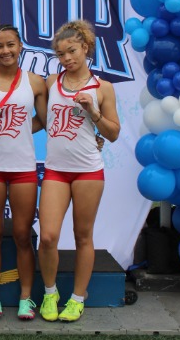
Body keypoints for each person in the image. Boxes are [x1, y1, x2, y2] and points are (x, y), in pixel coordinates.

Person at [37, 20, 120, 323]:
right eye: (60, 54)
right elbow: (32, 111)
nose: (67, 58)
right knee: (48, 236)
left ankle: (77, 298)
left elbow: (113, 134)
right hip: (56, 170)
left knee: (83, 236)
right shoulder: (50, 82)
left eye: (71, 51)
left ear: (85, 47)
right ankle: (50, 293)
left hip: (87, 171)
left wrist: (93, 113)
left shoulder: (103, 87)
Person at [0, 25, 48, 320]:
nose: (6, 51)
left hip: (23, 168)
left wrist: (19, 129)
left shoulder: (35, 82)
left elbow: (44, 120)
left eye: (10, 45)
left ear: (20, 46)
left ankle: (26, 298)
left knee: (22, 235)